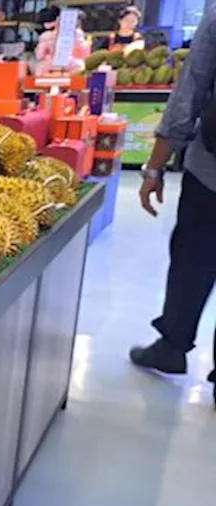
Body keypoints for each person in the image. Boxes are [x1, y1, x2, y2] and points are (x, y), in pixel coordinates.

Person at [131, 5, 216, 397]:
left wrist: (154, 168)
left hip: (211, 174)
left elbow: (191, 88)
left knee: (192, 260)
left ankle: (172, 345)